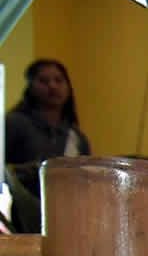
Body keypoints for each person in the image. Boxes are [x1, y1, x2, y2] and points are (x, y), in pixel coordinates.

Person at [4, 59, 89, 233]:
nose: (52, 86)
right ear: (30, 86)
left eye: (58, 80)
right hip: (22, 220)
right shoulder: (14, 124)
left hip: (67, 219)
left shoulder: (76, 137)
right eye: (44, 81)